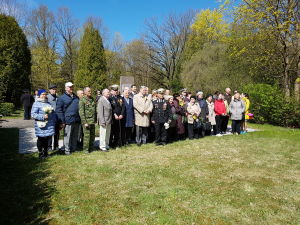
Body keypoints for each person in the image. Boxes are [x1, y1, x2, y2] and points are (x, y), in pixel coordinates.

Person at [56, 82, 81, 155]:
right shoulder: (61, 98)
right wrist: (62, 121)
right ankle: (67, 150)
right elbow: (59, 111)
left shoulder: (76, 97)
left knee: (75, 135)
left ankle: (73, 148)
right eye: (69, 87)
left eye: (72, 87)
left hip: (76, 119)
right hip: (67, 120)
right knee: (68, 136)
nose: (71, 88)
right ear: (65, 88)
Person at [31, 89, 56, 159]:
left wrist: (53, 119)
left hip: (49, 124)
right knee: (41, 138)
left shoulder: (48, 103)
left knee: (47, 138)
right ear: (39, 95)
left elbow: (53, 113)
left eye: (45, 94)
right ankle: (40, 153)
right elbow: (33, 114)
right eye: (42, 94)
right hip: (41, 124)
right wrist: (42, 117)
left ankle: (46, 152)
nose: (44, 96)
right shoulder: (36, 103)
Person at [79, 87, 96, 153]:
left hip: (92, 121)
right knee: (86, 137)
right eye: (89, 91)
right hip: (87, 121)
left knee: (92, 136)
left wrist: (95, 120)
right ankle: (85, 150)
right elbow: (81, 112)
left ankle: (91, 148)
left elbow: (94, 110)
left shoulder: (92, 99)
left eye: (90, 91)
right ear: (85, 92)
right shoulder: (82, 100)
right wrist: (84, 122)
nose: (90, 92)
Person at [47, 85, 59, 150]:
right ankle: (49, 146)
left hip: (57, 118)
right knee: (50, 133)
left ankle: (56, 146)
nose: (54, 90)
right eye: (53, 89)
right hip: (50, 118)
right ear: (50, 90)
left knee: (57, 133)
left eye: (55, 89)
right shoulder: (47, 97)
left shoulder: (57, 97)